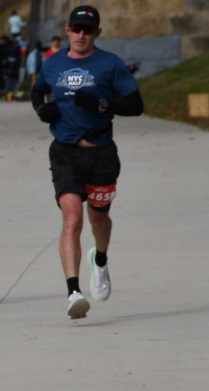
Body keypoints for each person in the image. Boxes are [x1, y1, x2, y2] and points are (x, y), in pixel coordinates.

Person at [30, 5, 143, 319]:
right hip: (64, 153)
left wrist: (102, 104)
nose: (81, 35)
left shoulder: (110, 64)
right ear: (68, 30)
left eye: (88, 30)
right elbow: (37, 92)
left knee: (99, 219)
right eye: (76, 29)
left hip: (101, 154)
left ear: (97, 33)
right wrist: (42, 110)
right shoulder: (53, 64)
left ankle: (100, 260)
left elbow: (136, 104)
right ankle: (73, 292)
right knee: (72, 220)